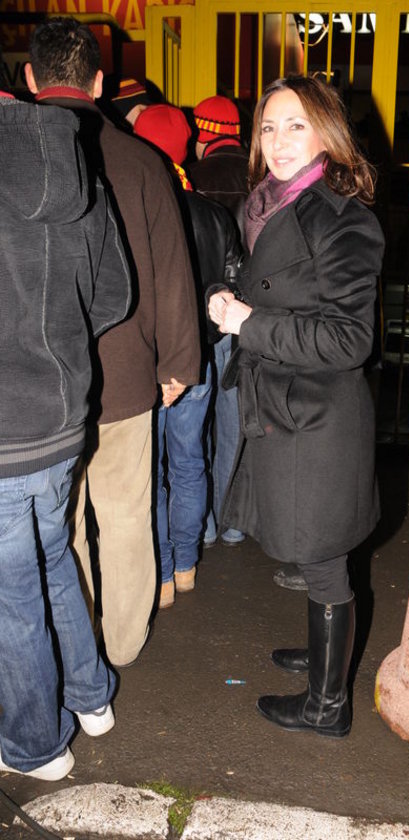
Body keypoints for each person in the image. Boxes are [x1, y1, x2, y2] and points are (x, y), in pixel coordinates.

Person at [208, 75, 385, 737]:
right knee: (315, 553)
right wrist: (223, 294)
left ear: (327, 135)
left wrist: (248, 323)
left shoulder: (343, 220)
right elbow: (259, 281)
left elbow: (349, 339)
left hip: (317, 416)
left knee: (323, 558)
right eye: (268, 127)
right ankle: (323, 655)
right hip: (283, 406)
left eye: (296, 126)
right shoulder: (266, 205)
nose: (278, 141)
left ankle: (326, 707)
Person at [26, 18, 201, 667]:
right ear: (99, 82)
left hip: (40, 382)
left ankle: (77, 643)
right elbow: (173, 269)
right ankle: (124, 643)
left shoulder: (15, 160)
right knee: (127, 515)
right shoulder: (141, 160)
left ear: (30, 77)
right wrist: (178, 361)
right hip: (126, 374)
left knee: (61, 521)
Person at [0, 62, 131, 779]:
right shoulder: (74, 157)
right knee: (52, 556)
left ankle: (36, 747)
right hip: (61, 417)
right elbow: (113, 295)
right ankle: (91, 696)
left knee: (12, 594)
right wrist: (57, 344)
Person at [134, 104, 242, 608]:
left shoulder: (141, 209)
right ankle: (185, 565)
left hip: (152, 362)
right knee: (189, 460)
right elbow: (232, 282)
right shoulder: (214, 214)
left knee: (152, 470)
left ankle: (160, 573)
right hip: (198, 356)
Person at [188, 95, 249, 551]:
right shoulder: (261, 176)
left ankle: (202, 525)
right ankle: (230, 522)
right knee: (232, 424)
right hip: (244, 317)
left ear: (203, 133)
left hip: (193, 317)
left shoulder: (190, 177)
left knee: (193, 427)